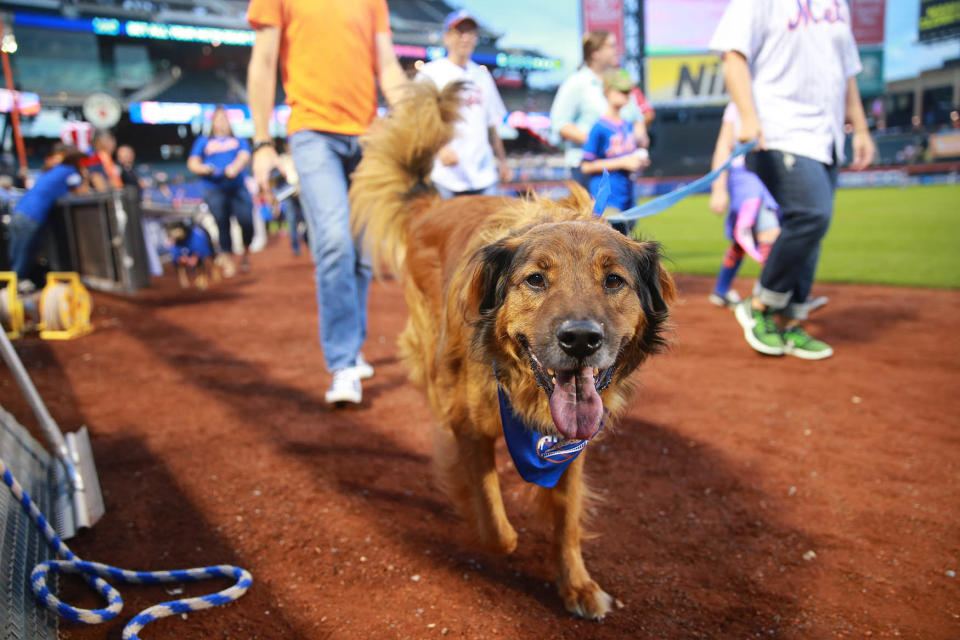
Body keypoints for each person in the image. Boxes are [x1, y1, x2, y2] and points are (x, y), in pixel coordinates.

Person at [246, 0, 408, 405]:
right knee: (334, 241)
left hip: (370, 136)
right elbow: (264, 60)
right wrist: (263, 141)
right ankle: (342, 363)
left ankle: (352, 346)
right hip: (312, 132)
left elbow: (386, 64)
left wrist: (412, 120)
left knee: (362, 254)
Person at [710, 0, 875, 360]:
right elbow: (733, 54)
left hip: (827, 136)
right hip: (778, 127)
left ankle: (790, 321)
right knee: (811, 214)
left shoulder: (838, 5)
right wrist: (749, 118)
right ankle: (762, 303)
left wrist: (860, 129)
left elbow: (847, 72)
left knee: (810, 230)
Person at [416, 10, 511, 198]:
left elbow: (491, 125)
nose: (466, 37)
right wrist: (438, 148)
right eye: (460, 32)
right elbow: (418, 121)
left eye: (471, 33)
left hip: (483, 175)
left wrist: (502, 161)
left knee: (488, 227)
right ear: (447, 37)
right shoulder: (431, 73)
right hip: (445, 176)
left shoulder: (482, 76)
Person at [550, 30, 648, 190]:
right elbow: (560, 124)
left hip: (623, 167)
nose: (617, 50)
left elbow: (637, 118)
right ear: (595, 53)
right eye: (611, 46)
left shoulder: (621, 80)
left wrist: (640, 141)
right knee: (595, 215)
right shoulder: (576, 82)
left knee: (625, 214)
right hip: (588, 168)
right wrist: (598, 142)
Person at [707, 101, 781, 308]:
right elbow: (723, 146)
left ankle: (721, 291)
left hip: (773, 173)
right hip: (746, 175)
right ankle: (776, 296)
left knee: (743, 240)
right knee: (770, 233)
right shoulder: (738, 104)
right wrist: (718, 188)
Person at [579, 69, 650, 235]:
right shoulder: (599, 127)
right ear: (608, 92)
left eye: (628, 91)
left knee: (627, 243)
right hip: (606, 198)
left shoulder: (628, 125)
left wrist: (638, 161)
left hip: (628, 195)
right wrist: (623, 162)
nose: (627, 95)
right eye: (622, 91)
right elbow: (586, 166)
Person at [6, 144, 88, 286]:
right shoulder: (69, 171)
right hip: (32, 217)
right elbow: (82, 192)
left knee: (16, 258)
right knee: (23, 259)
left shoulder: (49, 171)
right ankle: (15, 293)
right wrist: (84, 175)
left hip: (18, 214)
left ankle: (12, 289)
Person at [187, 106, 254, 276]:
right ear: (212, 122)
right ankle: (229, 261)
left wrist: (234, 168)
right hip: (214, 189)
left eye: (224, 119)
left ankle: (246, 253)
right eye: (218, 119)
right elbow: (193, 163)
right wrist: (205, 169)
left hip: (237, 188)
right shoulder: (203, 141)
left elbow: (244, 156)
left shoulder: (239, 140)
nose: (221, 122)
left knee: (246, 222)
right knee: (222, 224)